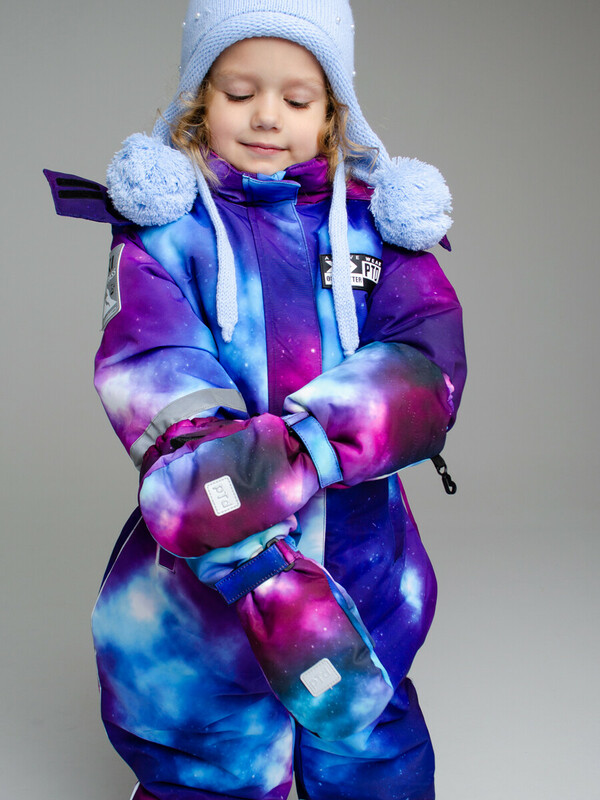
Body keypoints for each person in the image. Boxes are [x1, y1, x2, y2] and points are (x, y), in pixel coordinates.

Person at [46, 1, 466, 798]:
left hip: (361, 554)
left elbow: (426, 363)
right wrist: (233, 521)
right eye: (239, 92)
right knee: (209, 741)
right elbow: (155, 372)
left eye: (297, 99)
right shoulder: (167, 236)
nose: (267, 115)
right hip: (205, 578)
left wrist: (298, 451)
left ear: (333, 113)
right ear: (199, 99)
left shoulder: (379, 231)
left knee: (367, 727)